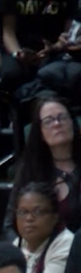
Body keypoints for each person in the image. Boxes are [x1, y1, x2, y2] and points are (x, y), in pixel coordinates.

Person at [5, 96, 81, 236]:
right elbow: (10, 225)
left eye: (62, 117)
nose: (57, 124)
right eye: (48, 121)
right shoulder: (30, 169)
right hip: (42, 251)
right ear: (40, 133)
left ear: (73, 123)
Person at [11, 182, 74, 273]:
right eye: (23, 212)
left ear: (55, 217)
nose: (29, 218)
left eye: (38, 211)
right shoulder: (17, 244)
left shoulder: (66, 243)